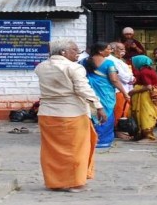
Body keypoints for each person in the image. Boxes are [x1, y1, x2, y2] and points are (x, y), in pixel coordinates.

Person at [35, 39, 105, 193]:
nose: (77, 53)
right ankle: (74, 183)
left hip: (47, 113)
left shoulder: (41, 67)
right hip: (71, 113)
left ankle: (55, 182)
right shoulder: (74, 68)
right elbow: (83, 89)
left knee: (51, 150)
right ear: (63, 52)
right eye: (74, 50)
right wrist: (98, 106)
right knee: (75, 149)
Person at [81, 42, 129, 148]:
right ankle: (102, 140)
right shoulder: (109, 63)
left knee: (90, 114)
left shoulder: (83, 62)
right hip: (105, 93)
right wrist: (125, 93)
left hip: (88, 92)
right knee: (107, 113)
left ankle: (89, 139)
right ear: (100, 51)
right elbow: (114, 80)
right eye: (108, 49)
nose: (110, 51)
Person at [128, 55, 157, 141]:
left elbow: (148, 87)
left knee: (145, 114)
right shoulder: (149, 70)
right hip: (147, 95)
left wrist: (133, 92)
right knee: (146, 113)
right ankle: (144, 134)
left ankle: (147, 135)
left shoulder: (144, 72)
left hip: (145, 95)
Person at [107, 42, 135, 137]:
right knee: (119, 111)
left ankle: (120, 129)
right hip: (119, 89)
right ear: (113, 49)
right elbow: (121, 75)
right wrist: (131, 79)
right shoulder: (112, 60)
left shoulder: (119, 60)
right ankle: (117, 130)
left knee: (124, 110)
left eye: (124, 49)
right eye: (120, 49)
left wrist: (131, 78)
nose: (123, 51)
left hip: (125, 88)